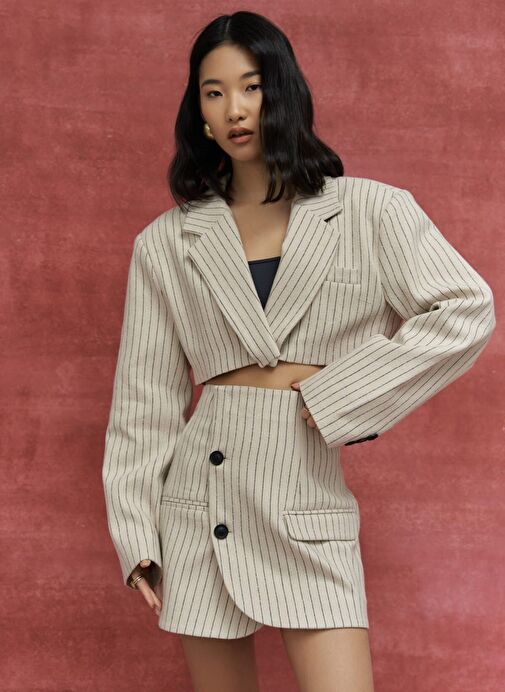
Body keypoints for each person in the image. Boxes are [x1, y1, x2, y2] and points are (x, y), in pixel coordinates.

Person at [101, 11, 496, 692]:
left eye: (251, 86)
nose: (234, 108)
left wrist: (343, 393)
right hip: (201, 505)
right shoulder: (165, 242)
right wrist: (135, 531)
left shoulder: (371, 211)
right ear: (198, 113)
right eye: (213, 92)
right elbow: (146, 401)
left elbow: (467, 308)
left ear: (281, 91)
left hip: (306, 499)